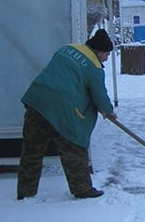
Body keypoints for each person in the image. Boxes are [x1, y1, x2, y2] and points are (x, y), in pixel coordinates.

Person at [17, 29, 117, 200]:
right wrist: (108, 111)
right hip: (63, 109)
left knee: (32, 150)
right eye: (106, 54)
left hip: (37, 100)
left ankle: (25, 192)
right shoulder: (94, 67)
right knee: (74, 146)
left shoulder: (66, 49)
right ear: (99, 51)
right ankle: (82, 189)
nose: (106, 58)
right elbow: (99, 95)